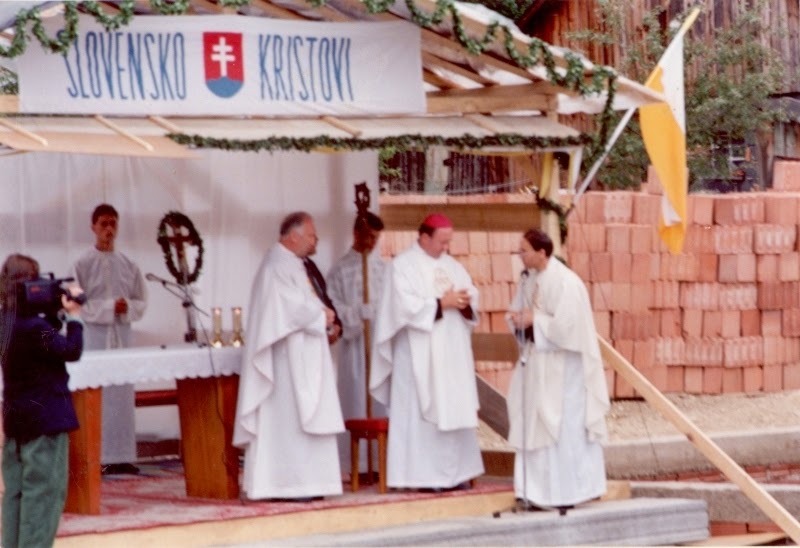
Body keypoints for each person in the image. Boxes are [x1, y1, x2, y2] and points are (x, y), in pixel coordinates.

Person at [233, 211, 344, 501]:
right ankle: (287, 484)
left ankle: (309, 483)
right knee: (289, 422)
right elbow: (288, 308)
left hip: (303, 355)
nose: (315, 240)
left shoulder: (294, 264)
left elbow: (305, 301)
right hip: (286, 363)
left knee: (304, 421)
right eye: (311, 235)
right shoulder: (276, 265)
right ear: (293, 236)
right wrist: (320, 315)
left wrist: (325, 316)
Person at [371, 212, 484, 490]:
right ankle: (422, 477)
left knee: (452, 408)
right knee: (422, 414)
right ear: (423, 237)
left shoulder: (453, 266)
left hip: (451, 354)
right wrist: (441, 303)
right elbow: (401, 307)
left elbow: (471, 293)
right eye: (441, 242)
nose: (446, 247)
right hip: (417, 354)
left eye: (449, 242)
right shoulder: (402, 266)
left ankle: (456, 475)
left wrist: (465, 300)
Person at [505, 228, 609, 513]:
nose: (520, 255)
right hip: (536, 364)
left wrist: (533, 321)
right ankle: (533, 491)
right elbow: (518, 313)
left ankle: (565, 491)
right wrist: (518, 320)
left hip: (563, 371)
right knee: (533, 421)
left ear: (542, 252)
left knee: (562, 430)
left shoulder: (566, 282)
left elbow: (567, 329)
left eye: (524, 250)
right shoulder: (529, 279)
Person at [0, 254, 84, 547]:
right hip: (45, 420)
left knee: (16, 493)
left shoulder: (6, 322)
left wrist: (53, 312)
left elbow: (42, 338)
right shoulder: (34, 328)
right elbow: (71, 350)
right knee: (43, 493)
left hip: (17, 419)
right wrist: (74, 317)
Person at [71, 203, 147, 475]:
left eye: (113, 223)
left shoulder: (128, 264)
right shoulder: (82, 263)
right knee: (98, 394)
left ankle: (123, 456)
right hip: (95, 336)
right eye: (103, 223)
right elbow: (75, 302)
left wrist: (127, 306)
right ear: (93, 227)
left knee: (122, 395)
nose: (109, 229)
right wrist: (108, 307)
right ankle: (98, 456)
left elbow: (141, 299)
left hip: (121, 335)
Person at [326, 211, 388, 475]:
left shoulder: (384, 270)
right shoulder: (340, 271)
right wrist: (355, 314)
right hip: (355, 348)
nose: (372, 243)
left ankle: (382, 463)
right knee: (356, 401)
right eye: (368, 237)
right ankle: (358, 465)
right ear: (356, 234)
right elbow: (333, 309)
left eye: (376, 238)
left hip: (380, 347)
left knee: (381, 401)